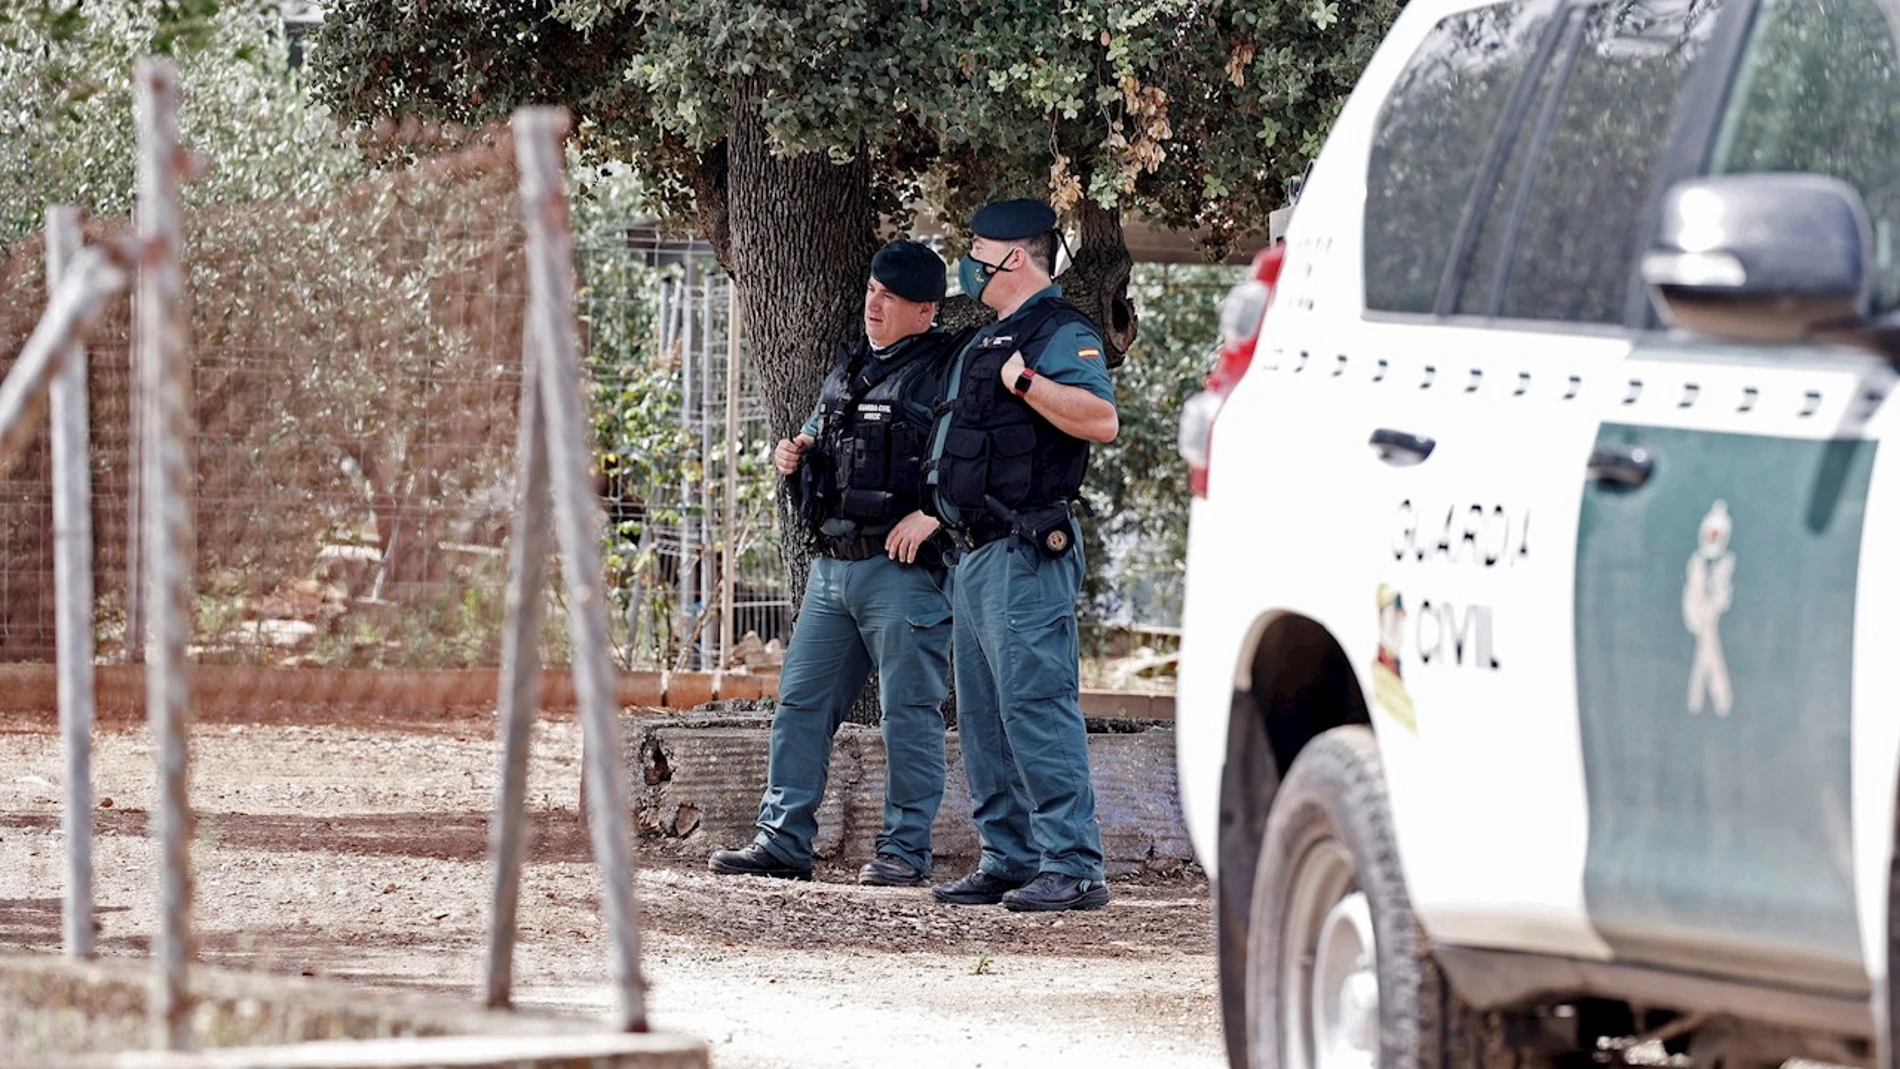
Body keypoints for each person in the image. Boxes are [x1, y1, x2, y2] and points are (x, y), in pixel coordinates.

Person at [708, 239, 962, 886]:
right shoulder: (848, 370)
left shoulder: (946, 374)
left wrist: (936, 515)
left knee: (908, 712)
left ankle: (905, 850)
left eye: (891, 298)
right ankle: (783, 838)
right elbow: (821, 436)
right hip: (833, 570)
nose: (874, 304)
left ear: (926, 310)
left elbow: (973, 462)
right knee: (800, 702)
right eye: (872, 291)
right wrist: (792, 456)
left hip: (903, 573)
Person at [924, 199, 1119, 912]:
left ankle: (1073, 863)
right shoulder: (988, 338)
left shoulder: (1058, 331)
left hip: (1026, 551)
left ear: (1014, 258)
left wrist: (1028, 383)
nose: (968, 262)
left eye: (977, 249)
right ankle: (1009, 856)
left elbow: (1102, 419)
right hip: (972, 556)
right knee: (981, 716)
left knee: (1036, 704)